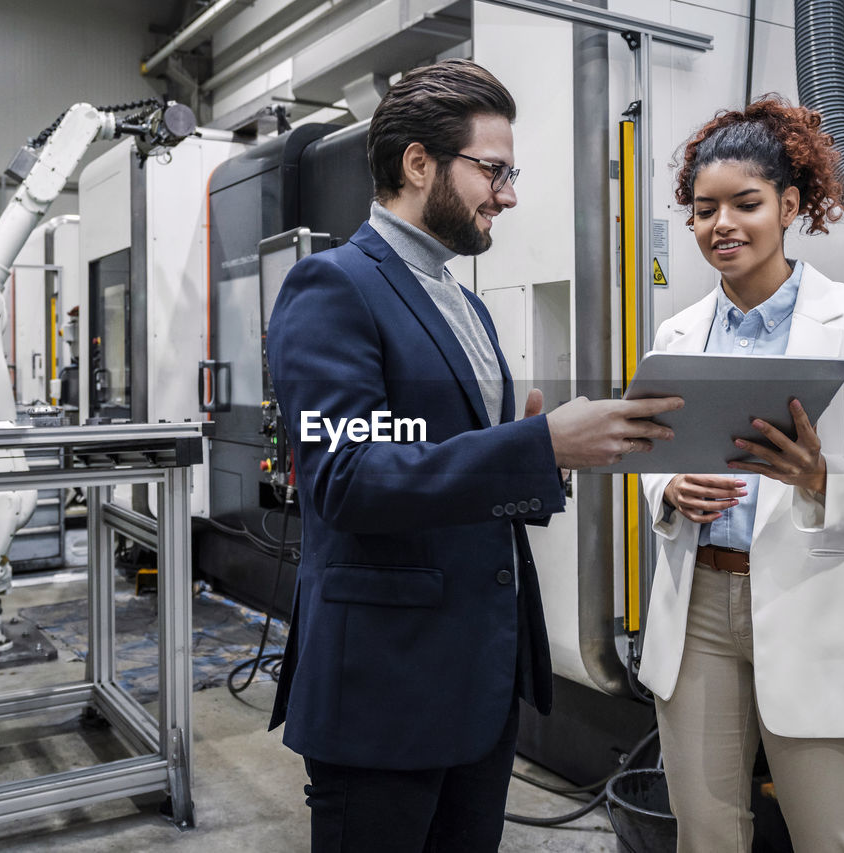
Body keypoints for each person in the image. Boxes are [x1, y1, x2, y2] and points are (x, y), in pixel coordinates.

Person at [265, 59, 681, 853]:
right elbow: (346, 478)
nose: (510, 193)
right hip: (386, 689)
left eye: (510, 171)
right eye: (494, 169)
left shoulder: (463, 303)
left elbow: (453, 458)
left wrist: (545, 454)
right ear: (418, 163)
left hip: (477, 680)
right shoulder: (334, 287)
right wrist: (536, 443)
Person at [638, 97, 844, 853]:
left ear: (791, 205)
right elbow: (649, 451)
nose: (722, 225)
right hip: (698, 597)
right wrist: (669, 488)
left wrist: (820, 473)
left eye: (746, 204)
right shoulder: (677, 332)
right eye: (705, 210)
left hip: (813, 599)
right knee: (705, 834)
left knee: (830, 838)